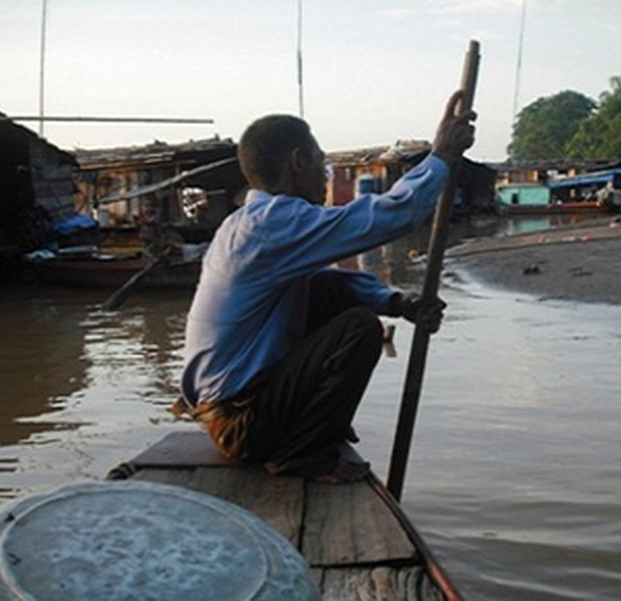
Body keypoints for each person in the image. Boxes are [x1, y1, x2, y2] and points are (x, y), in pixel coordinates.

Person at [178, 90, 477, 482]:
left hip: (233, 410)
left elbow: (328, 285)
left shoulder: (248, 224)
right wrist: (440, 158)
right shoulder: (270, 223)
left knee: (326, 294)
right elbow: (390, 217)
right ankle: (300, 454)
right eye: (322, 164)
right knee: (358, 329)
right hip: (242, 420)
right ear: (299, 162)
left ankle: (309, 434)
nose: (324, 176)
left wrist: (396, 302)